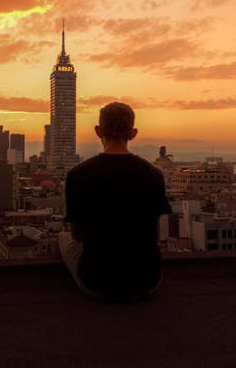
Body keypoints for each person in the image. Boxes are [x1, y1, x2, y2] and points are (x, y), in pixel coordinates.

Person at [58, 102, 172, 300]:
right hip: (146, 281)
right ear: (133, 133)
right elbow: (154, 234)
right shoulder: (153, 174)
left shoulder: (78, 174)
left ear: (98, 131)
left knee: (63, 238)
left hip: (97, 283)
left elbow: (77, 235)